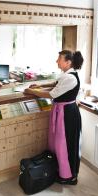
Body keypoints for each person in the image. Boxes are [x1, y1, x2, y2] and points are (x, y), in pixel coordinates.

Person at [24, 50, 83, 185]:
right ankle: (61, 171)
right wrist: (40, 85)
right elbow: (55, 84)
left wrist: (32, 91)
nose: (57, 61)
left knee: (66, 144)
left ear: (68, 62)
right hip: (63, 112)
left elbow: (52, 94)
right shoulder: (66, 75)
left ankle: (69, 177)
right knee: (59, 143)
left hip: (68, 115)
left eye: (59, 59)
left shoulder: (71, 78)